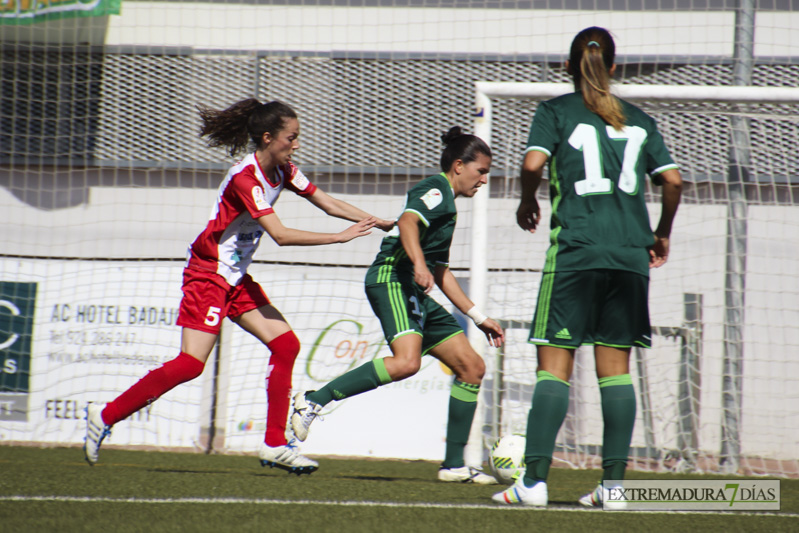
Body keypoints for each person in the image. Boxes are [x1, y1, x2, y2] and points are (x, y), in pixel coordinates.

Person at [84, 99, 393, 474]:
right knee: (190, 365)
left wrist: (377, 221)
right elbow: (278, 234)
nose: (296, 145)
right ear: (268, 137)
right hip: (209, 274)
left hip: (234, 278)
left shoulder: (285, 171)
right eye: (291, 138)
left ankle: (275, 445)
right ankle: (104, 415)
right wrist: (337, 239)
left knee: (286, 344)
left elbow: (327, 203)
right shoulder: (246, 178)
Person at [492, 27, 682, 507]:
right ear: (613, 68)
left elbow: (533, 163)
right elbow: (674, 181)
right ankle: (614, 488)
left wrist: (526, 200)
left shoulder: (555, 111)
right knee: (615, 370)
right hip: (629, 257)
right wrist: (661, 233)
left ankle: (533, 483)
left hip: (577, 252)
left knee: (554, 367)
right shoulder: (638, 119)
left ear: (568, 66)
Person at [290, 126, 505, 483]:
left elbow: (442, 271)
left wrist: (478, 317)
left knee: (471, 366)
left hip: (411, 286)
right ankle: (313, 400)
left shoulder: (448, 206)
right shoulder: (436, 189)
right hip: (390, 277)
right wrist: (418, 265)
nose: (483, 179)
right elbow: (407, 221)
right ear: (458, 165)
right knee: (407, 362)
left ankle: (453, 466)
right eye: (481, 171)